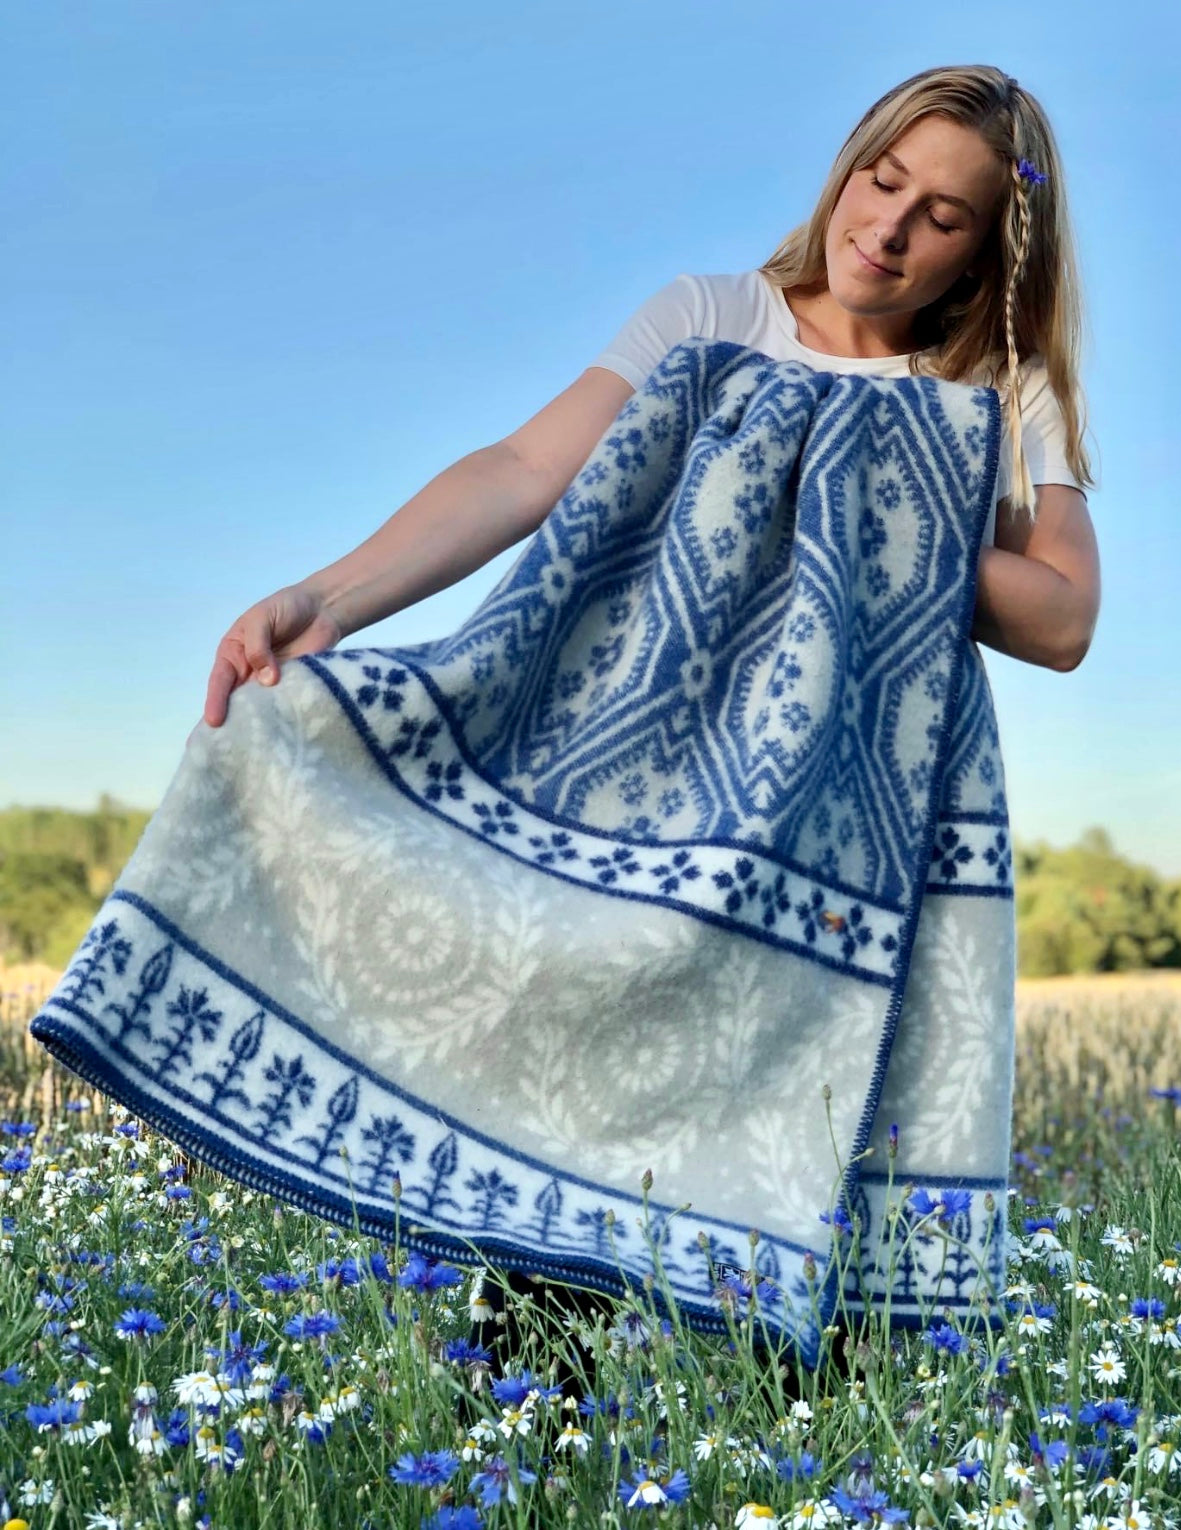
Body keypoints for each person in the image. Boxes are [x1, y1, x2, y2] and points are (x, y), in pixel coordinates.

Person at [196, 64, 1101, 1394]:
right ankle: (533, 1439)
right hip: (648, 800)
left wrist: (847, 493)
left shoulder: (998, 393)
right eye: (881, 180)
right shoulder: (714, 315)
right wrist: (323, 593)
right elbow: (520, 472)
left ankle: (804, 1455)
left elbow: (1064, 615)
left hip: (849, 842)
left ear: (986, 251)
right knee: (576, 1126)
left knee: (820, 1176)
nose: (889, 229)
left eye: (943, 216)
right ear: (846, 166)